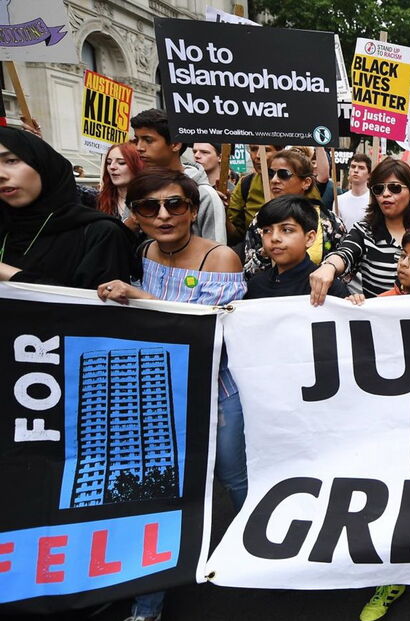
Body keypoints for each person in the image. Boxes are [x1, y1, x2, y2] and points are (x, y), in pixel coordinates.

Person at [96, 168, 246, 621]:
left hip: (215, 394)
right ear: (136, 215)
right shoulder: (143, 251)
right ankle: (148, 603)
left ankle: (269, 553)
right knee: (156, 492)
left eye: (174, 204)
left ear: (193, 210)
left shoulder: (221, 260)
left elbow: (206, 329)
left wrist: (135, 297)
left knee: (232, 478)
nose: (163, 215)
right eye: (148, 207)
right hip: (159, 395)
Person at [345, 224, 410, 621]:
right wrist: (353, 313)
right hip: (391, 426)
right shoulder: (381, 304)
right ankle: (392, 575)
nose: (404, 265)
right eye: (403, 256)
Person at [0, 127, 135, 287]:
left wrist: (9, 274)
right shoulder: (5, 225)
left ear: (43, 163)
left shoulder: (100, 233)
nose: (1, 174)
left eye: (11, 161)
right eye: (109, 162)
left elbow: (99, 308)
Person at [309, 159, 410, 303]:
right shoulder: (364, 230)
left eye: (395, 188)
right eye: (378, 189)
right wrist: (329, 267)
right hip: (377, 321)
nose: (386, 194)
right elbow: (345, 253)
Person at [242, 149, 345, 277]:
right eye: (271, 173)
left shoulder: (329, 222)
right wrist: (265, 253)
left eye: (283, 174)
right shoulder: (261, 219)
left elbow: (343, 269)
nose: (274, 180)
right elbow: (248, 273)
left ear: (306, 182)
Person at [130, 108, 227, 243]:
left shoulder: (204, 195)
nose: (139, 147)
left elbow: (217, 252)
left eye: (148, 140)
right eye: (137, 140)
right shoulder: (138, 189)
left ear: (175, 144)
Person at [245, 195, 349, 299]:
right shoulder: (256, 286)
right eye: (267, 231)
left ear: (309, 238)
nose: (274, 238)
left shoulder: (326, 287)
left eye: (286, 230)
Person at [226, 144, 286, 245]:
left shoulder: (296, 182)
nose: (258, 155)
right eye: (253, 149)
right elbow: (235, 233)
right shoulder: (246, 183)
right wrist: (223, 212)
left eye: (266, 150)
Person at [96, 142, 144, 229]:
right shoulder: (99, 200)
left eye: (121, 162)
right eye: (108, 162)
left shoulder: (151, 200)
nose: (112, 167)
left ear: (137, 165)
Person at [337, 153, 372, 230]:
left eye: (361, 168)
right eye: (353, 166)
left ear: (369, 174)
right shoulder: (338, 200)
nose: (356, 170)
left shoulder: (374, 199)